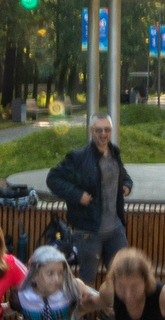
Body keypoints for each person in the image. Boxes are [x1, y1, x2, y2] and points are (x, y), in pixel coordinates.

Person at [45, 115, 130, 282]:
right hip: (89, 231)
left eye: (107, 130)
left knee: (123, 276)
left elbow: (122, 173)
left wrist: (127, 183)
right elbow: (53, 178)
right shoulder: (78, 158)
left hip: (115, 228)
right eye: (98, 130)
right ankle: (85, 308)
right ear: (91, 131)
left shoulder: (114, 153)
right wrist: (77, 195)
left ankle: (114, 308)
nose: (103, 134)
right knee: (87, 280)